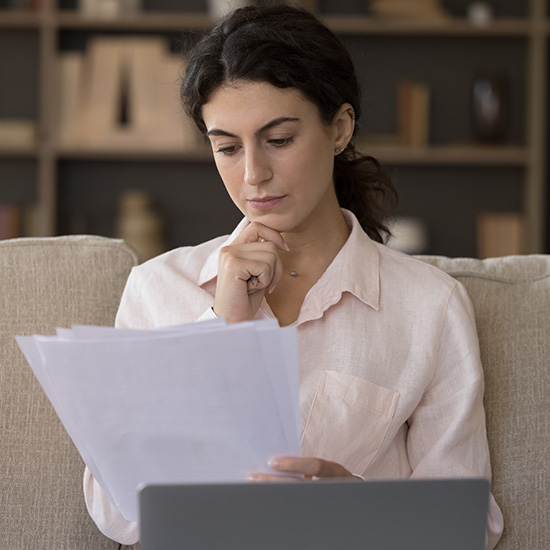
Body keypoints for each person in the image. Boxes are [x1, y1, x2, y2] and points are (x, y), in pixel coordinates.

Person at [83, 5, 503, 547]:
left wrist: (355, 505)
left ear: (340, 129)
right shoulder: (158, 289)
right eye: (228, 147)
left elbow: (470, 525)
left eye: (278, 139)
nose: (253, 174)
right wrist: (223, 325)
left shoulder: (429, 306)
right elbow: (116, 514)